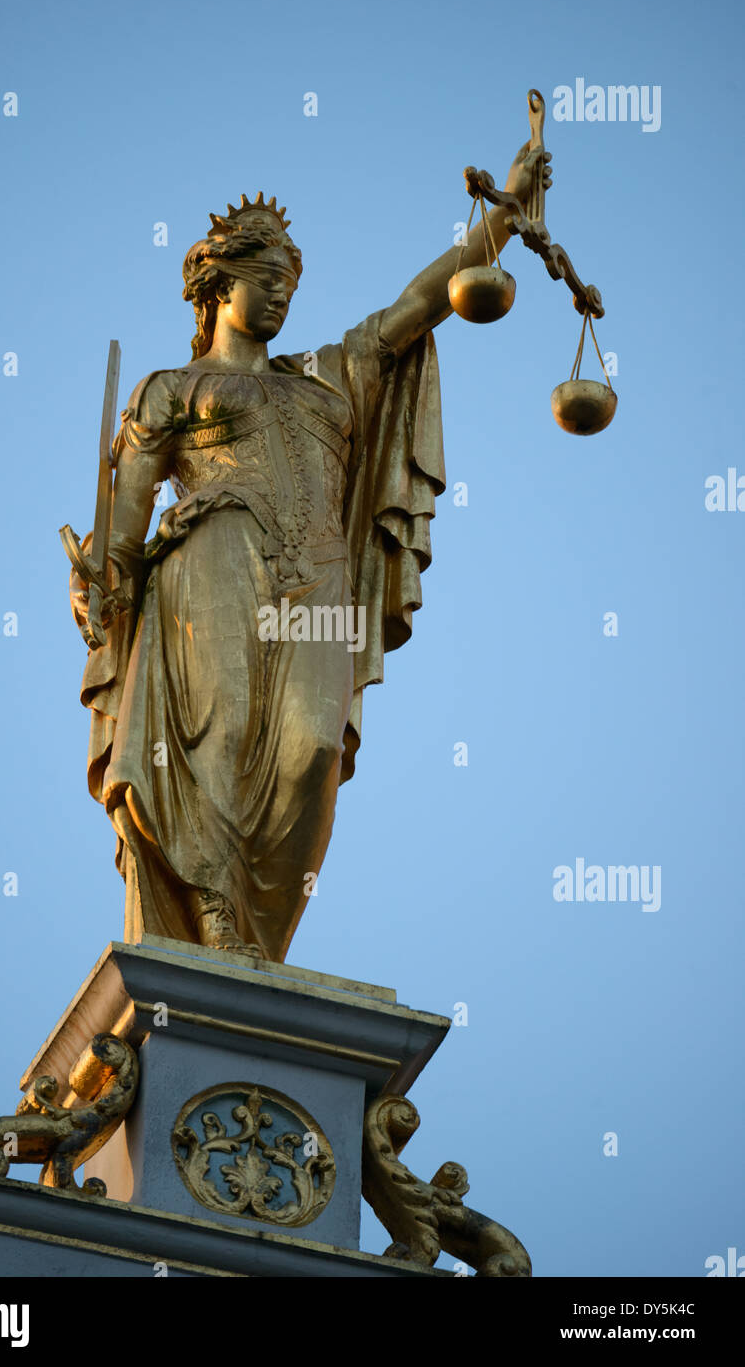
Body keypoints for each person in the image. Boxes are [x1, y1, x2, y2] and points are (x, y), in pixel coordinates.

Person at [71, 149, 550, 962]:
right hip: (212, 557)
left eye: (291, 285)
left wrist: (504, 215)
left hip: (322, 578)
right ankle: (214, 910)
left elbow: (421, 303)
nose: (283, 297)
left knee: (312, 750)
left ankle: (262, 934)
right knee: (212, 736)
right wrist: (102, 582)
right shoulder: (168, 389)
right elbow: (123, 524)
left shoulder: (328, 379)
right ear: (220, 287)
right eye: (268, 281)